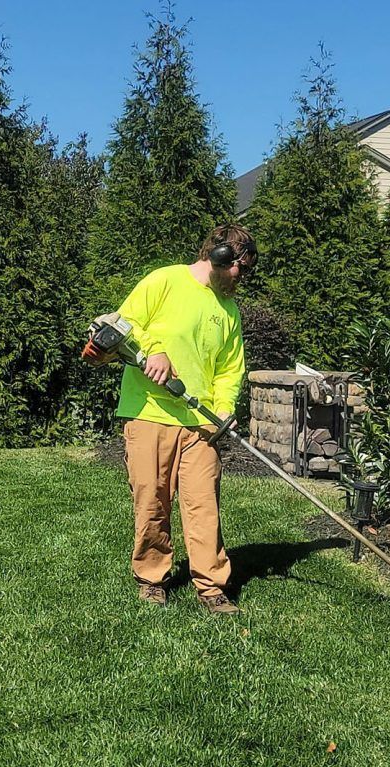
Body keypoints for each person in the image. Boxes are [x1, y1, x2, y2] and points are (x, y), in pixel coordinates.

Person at [114, 224, 252, 614]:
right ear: (218, 256)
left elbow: (229, 368)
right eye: (239, 265)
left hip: (201, 424)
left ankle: (211, 586)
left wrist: (224, 407)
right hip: (150, 413)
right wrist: (154, 350)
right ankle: (152, 578)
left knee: (203, 505)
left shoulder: (228, 310)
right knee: (152, 501)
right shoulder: (165, 281)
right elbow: (123, 324)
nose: (242, 276)